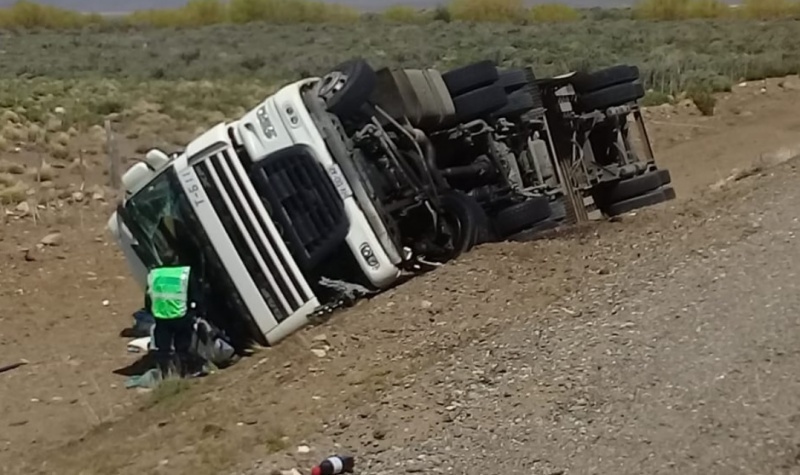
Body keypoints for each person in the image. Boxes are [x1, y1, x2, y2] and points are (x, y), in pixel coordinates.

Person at [144, 250, 203, 378]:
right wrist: (195, 310)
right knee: (182, 347)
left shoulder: (154, 274)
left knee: (163, 349)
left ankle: (165, 373)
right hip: (181, 315)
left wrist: (152, 311)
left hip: (161, 316)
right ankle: (184, 371)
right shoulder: (184, 273)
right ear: (176, 259)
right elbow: (195, 294)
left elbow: (149, 297)